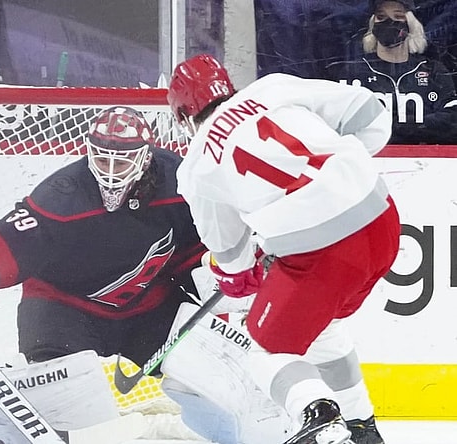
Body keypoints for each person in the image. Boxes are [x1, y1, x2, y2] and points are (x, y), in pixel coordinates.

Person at [0, 106, 293, 443]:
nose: (111, 169)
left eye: (122, 158)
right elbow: (5, 240)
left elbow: (211, 239)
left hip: (149, 306)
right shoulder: (63, 194)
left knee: (226, 369)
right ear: (87, 150)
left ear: (147, 154)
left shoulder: (181, 181)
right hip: (63, 308)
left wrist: (247, 254)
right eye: (101, 156)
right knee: (58, 397)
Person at [167, 54, 400, 444]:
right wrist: (341, 178)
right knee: (324, 328)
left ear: (183, 116)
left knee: (265, 352)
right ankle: (362, 428)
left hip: (322, 254)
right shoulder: (273, 87)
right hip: (383, 221)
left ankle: (320, 416)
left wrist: (251, 264)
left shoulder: (195, 167)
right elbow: (371, 113)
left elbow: (232, 260)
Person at [327, 0, 457, 144]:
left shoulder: (432, 70)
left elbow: (452, 119)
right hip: (369, 157)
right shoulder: (354, 72)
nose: (389, 23)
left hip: (423, 159)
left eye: (398, 17)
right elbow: (337, 120)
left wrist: (405, 128)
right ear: (372, 24)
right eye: (381, 17)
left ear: (411, 23)